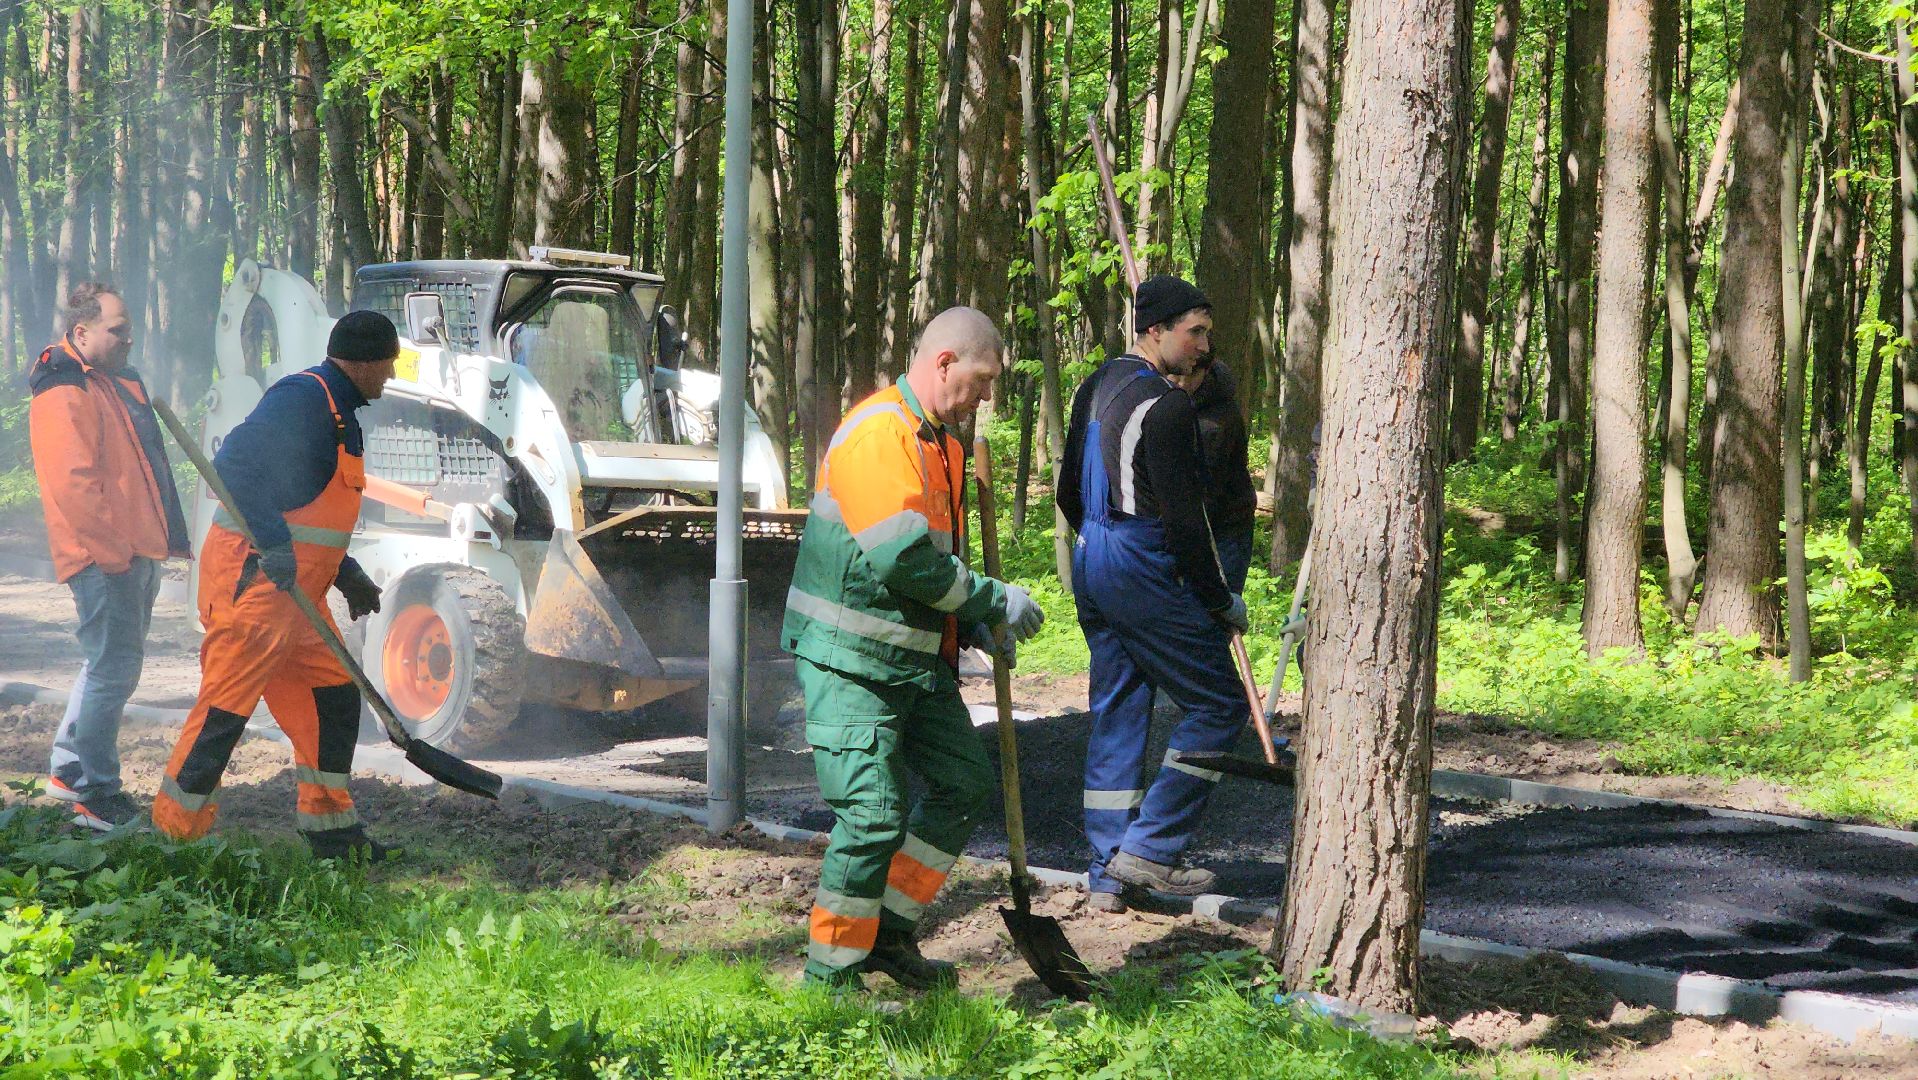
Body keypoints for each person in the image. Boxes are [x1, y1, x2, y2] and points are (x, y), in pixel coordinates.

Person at [782, 306, 1046, 991]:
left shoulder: (943, 449)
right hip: (848, 660)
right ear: (944, 363)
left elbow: (936, 565)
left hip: (911, 660)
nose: (986, 398)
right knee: (872, 816)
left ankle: (888, 934)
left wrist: (973, 626)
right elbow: (902, 559)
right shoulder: (881, 434)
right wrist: (993, 600)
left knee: (963, 784)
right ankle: (829, 980)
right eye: (982, 381)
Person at [151, 312, 395, 860]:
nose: (391, 374)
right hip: (255, 582)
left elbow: (305, 509)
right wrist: (275, 546)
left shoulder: (340, 411)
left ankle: (332, 832)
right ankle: (172, 839)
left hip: (298, 595)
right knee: (224, 713)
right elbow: (233, 466)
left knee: (333, 698)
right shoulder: (303, 399)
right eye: (388, 363)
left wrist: (345, 572)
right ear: (363, 362)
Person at [1059, 274, 1245, 912]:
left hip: (1090, 555)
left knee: (1119, 706)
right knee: (1218, 703)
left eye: (1206, 334)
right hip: (1139, 562)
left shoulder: (1093, 386)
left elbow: (1067, 491)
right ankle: (1154, 848)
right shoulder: (1168, 408)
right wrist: (1219, 599)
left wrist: (1099, 543)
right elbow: (1186, 523)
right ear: (1156, 330)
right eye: (1195, 332)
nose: (1204, 347)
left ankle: (1109, 872)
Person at [28, 282, 191, 830]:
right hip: (106, 558)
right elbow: (73, 483)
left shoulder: (108, 381)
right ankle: (99, 796)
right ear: (81, 332)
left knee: (104, 666)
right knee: (113, 671)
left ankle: (69, 770)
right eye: (117, 330)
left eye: (129, 329)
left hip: (129, 552)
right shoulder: (64, 386)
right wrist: (114, 555)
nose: (129, 338)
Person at [1172, 359, 1256, 592]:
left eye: (1191, 376)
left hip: (1226, 528)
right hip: (1192, 524)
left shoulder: (1217, 421)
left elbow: (1205, 490)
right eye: (1176, 375)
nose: (1182, 383)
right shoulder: (1170, 403)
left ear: (1206, 371)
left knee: (1220, 603)